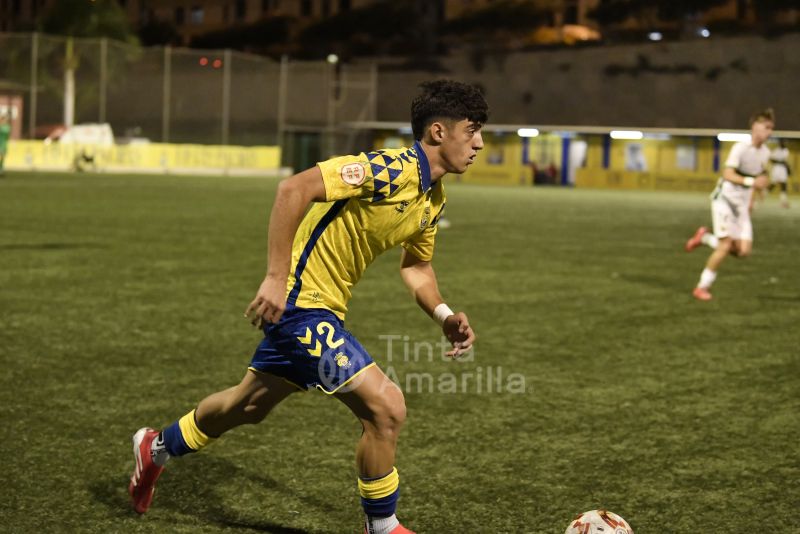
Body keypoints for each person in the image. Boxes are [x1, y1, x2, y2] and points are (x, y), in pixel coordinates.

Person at [128, 80, 488, 534]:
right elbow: (292, 190)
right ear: (439, 132)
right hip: (299, 306)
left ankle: (154, 448)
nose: (479, 144)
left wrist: (443, 314)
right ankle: (383, 527)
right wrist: (276, 278)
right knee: (386, 408)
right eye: (472, 131)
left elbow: (417, 266)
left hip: (323, 310)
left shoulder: (431, 199)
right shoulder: (386, 169)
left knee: (248, 406)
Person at [684, 108, 774, 301]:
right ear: (755, 127)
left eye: (771, 128)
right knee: (725, 246)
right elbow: (727, 174)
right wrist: (751, 183)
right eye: (766, 127)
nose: (769, 132)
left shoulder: (766, 153)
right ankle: (702, 287)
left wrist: (751, 199)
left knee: (743, 251)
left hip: (741, 206)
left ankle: (705, 238)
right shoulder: (740, 147)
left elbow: (759, 177)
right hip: (724, 200)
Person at [769, 138, 791, 208]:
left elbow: (785, 161)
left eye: (783, 142)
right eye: (781, 142)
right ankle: (762, 196)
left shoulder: (786, 151)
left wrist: (788, 169)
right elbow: (772, 159)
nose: (782, 143)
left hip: (783, 170)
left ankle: (783, 202)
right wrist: (780, 162)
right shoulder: (776, 150)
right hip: (776, 169)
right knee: (773, 184)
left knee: (783, 185)